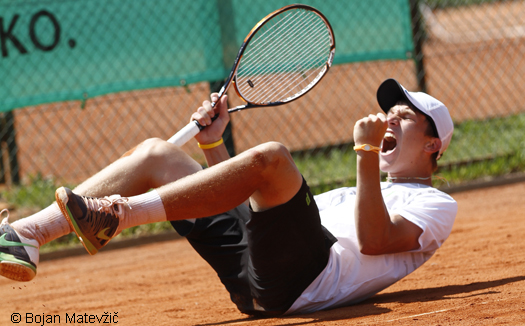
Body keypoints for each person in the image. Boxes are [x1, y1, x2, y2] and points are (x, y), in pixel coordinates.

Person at [0, 78, 457, 316]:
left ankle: (118, 215)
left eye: (403, 116)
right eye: (387, 113)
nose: (388, 119)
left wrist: (365, 150)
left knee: (273, 159)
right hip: (258, 279)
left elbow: (374, 241)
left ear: (434, 144)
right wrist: (213, 142)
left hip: (308, 281)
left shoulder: (436, 205)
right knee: (156, 154)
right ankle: (25, 234)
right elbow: (254, 210)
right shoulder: (357, 191)